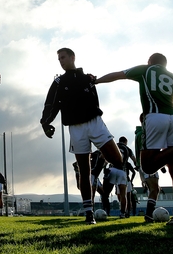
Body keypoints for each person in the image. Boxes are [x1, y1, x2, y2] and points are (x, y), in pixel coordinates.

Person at [95, 53, 173, 226]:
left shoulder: (145, 69)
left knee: (147, 166)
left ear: (150, 61)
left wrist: (96, 81)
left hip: (155, 117)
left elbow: (117, 75)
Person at [40, 48, 123, 225]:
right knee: (84, 171)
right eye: (59, 59)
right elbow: (51, 104)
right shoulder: (59, 82)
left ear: (72, 57)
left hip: (96, 123)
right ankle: (89, 213)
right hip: (76, 128)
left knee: (118, 160)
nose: (61, 61)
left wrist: (93, 79)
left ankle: (102, 167)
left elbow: (95, 89)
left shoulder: (89, 78)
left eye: (63, 57)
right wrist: (46, 123)